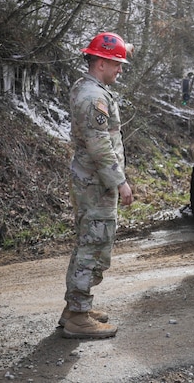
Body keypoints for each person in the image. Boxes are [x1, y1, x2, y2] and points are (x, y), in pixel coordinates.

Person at [58, 32, 134, 339]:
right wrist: (121, 183)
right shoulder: (93, 98)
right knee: (93, 246)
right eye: (117, 64)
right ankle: (78, 317)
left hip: (90, 181)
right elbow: (100, 146)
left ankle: (76, 306)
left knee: (88, 243)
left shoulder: (87, 87)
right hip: (96, 183)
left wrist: (124, 45)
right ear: (100, 63)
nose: (120, 70)